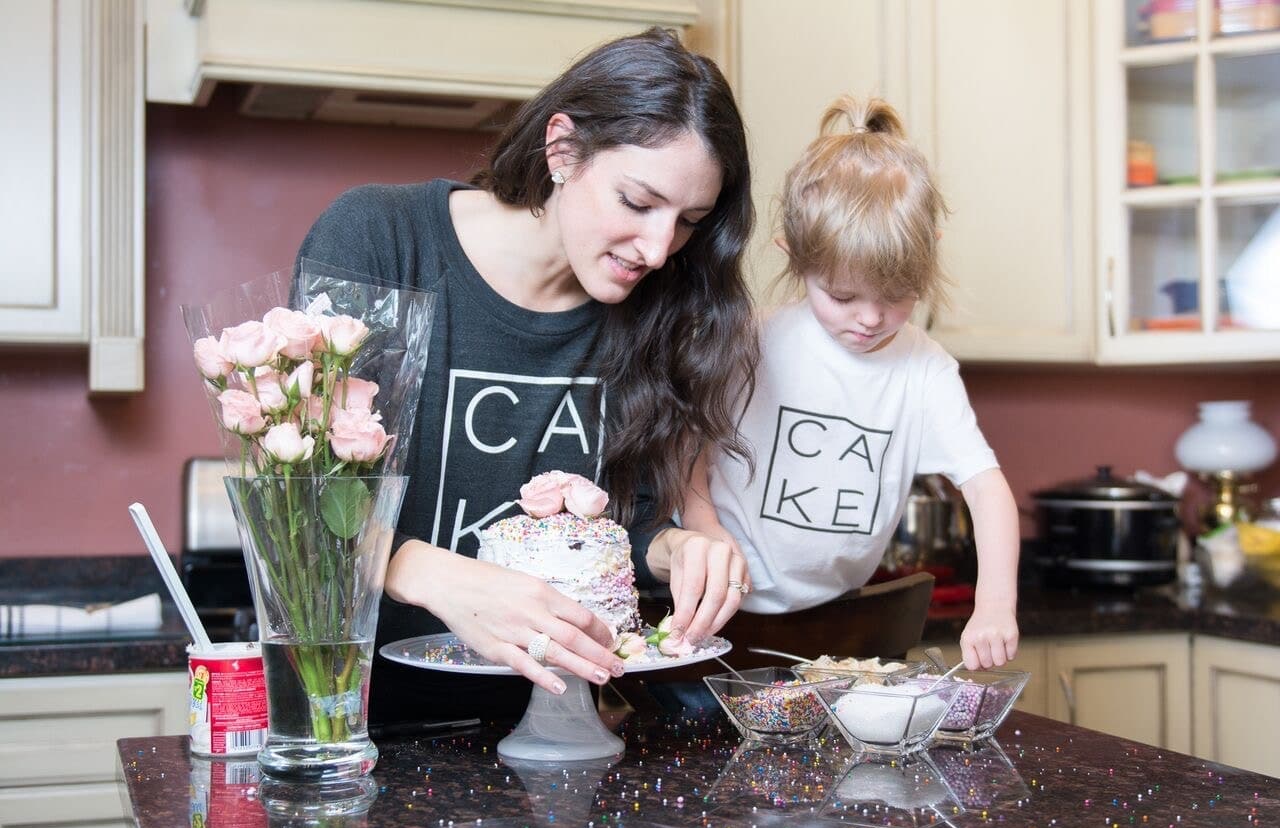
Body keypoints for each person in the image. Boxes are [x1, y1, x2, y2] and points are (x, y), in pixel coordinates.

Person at [296, 27, 755, 723]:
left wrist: (677, 548)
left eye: (688, 220)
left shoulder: (654, 310)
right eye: (637, 202)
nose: (661, 249)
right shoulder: (378, 239)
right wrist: (437, 573)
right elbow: (299, 507)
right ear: (563, 148)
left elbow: (617, 530)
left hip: (550, 736)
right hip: (351, 728)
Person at [680, 96, 1020, 671]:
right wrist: (704, 527)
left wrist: (993, 603)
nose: (869, 318)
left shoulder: (925, 369)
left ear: (927, 259)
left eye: (895, 297)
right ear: (793, 256)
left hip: (837, 619)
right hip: (719, 615)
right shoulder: (749, 342)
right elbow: (686, 446)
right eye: (841, 296)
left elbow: (986, 488)